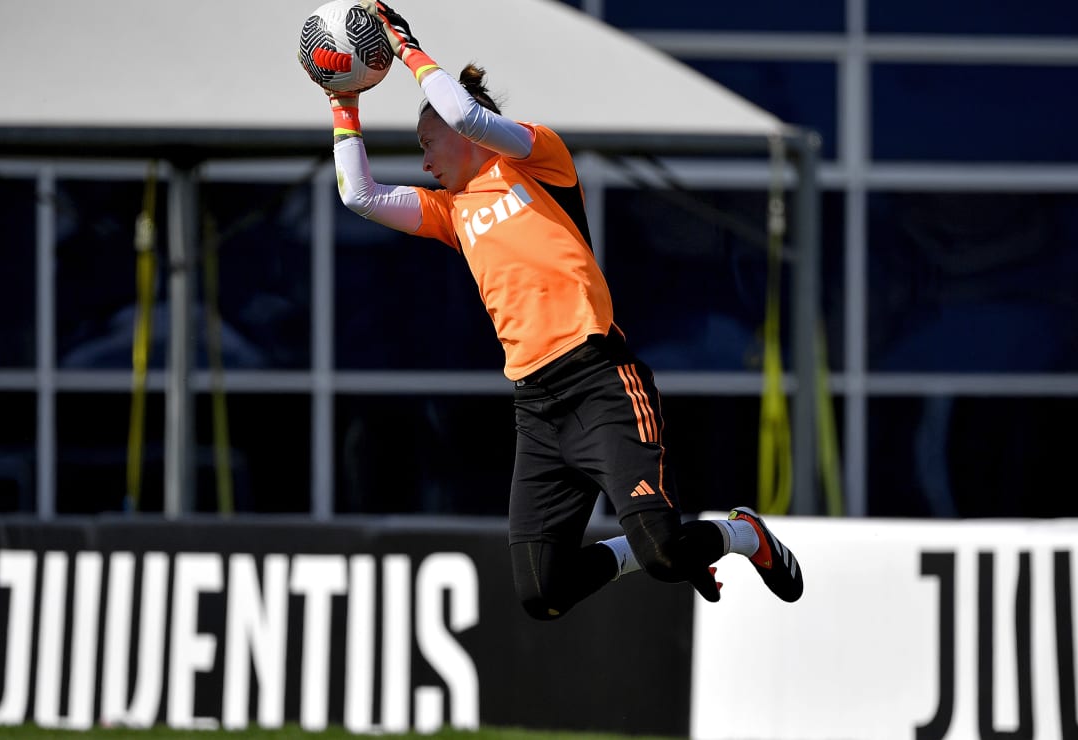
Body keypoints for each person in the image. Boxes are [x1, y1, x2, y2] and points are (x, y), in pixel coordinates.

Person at [318, 0, 804, 618]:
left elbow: (465, 114)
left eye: (426, 143)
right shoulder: (453, 213)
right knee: (541, 592)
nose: (424, 161)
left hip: (599, 381)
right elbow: (357, 194)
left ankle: (742, 534)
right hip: (537, 410)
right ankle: (656, 548)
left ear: (460, 135)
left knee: (665, 556)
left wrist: (407, 46)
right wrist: (344, 99)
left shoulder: (539, 160)